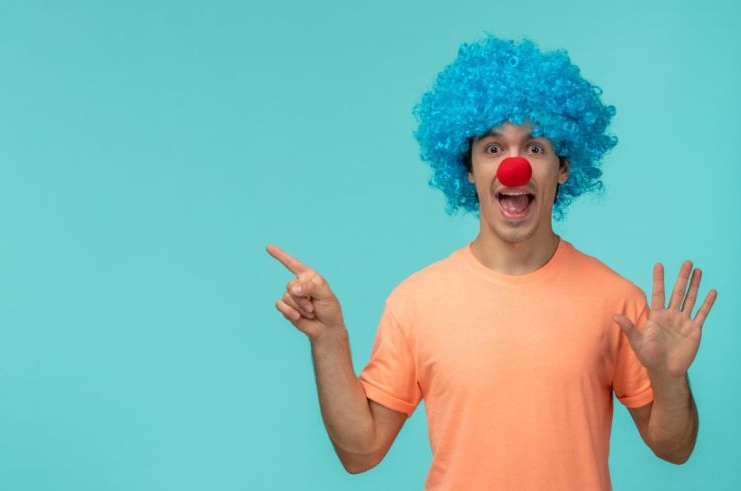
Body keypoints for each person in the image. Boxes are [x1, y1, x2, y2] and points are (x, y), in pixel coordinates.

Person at [265, 34, 718, 490]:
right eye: (493, 148)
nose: (513, 167)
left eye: (535, 147)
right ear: (468, 168)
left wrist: (671, 378)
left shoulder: (616, 301)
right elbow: (360, 452)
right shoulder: (416, 302)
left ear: (562, 168)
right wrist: (328, 340)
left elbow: (674, 448)